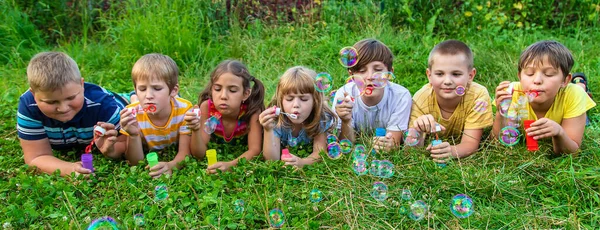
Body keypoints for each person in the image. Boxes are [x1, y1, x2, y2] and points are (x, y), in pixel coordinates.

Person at [17, 52, 127, 176]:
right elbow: (36, 157)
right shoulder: (29, 107)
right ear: (33, 94)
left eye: (71, 98)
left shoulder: (103, 106)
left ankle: (132, 97)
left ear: (82, 85)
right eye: (51, 102)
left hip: (119, 103)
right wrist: (68, 169)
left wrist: (111, 150)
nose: (63, 108)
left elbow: (126, 144)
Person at [492, 40, 596, 154]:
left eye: (549, 74)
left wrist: (559, 133)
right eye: (530, 73)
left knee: (579, 93)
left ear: (565, 80)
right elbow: (498, 141)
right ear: (519, 77)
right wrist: (501, 112)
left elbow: (572, 150)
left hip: (571, 100)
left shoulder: (573, 95)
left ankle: (580, 83)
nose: (537, 81)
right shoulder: (512, 94)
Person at [409, 40, 493, 164]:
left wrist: (452, 151)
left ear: (470, 76)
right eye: (439, 74)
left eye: (456, 74)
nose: (447, 81)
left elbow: (470, 143)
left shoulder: (477, 96)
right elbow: (410, 149)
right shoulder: (421, 98)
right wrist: (418, 130)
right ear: (429, 75)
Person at [119, 53, 193, 178]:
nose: (148, 96)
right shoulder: (132, 115)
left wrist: (172, 165)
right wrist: (133, 134)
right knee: (135, 104)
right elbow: (135, 162)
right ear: (136, 89)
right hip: (138, 109)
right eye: (142, 89)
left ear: (174, 90)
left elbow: (185, 153)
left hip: (175, 105)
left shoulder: (184, 111)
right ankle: (132, 97)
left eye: (157, 88)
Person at [184, 60, 265, 174]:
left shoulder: (252, 111)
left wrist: (231, 165)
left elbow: (255, 150)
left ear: (246, 94)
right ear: (211, 90)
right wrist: (196, 130)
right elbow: (199, 154)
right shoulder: (207, 107)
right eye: (217, 89)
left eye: (232, 90)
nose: (223, 96)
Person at [332, 38, 412, 152]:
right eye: (361, 70)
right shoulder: (344, 95)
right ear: (352, 75)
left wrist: (390, 145)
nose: (370, 76)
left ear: (389, 74)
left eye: (378, 69)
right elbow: (345, 145)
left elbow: (393, 144)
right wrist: (345, 121)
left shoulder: (400, 97)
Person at [259, 66, 337, 167]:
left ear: (315, 101)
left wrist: (302, 162)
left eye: (304, 99)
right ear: (281, 100)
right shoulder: (276, 120)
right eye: (289, 99)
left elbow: (319, 153)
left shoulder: (321, 118)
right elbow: (271, 160)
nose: (296, 104)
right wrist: (268, 130)